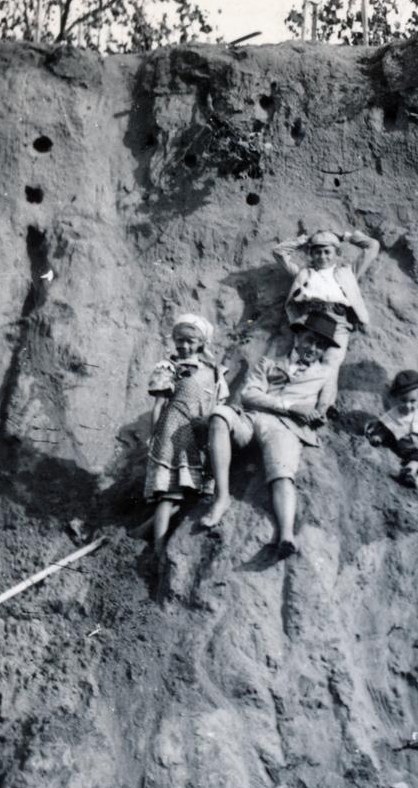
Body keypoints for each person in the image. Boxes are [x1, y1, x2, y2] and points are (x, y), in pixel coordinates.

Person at [201, 313, 340, 559]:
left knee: (282, 472)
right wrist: (289, 405)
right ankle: (221, 498)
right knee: (220, 415)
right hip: (252, 419)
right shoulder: (268, 362)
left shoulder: (326, 374)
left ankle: (286, 535)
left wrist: (314, 415)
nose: (313, 348)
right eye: (309, 340)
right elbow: (249, 395)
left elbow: (322, 410)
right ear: (298, 337)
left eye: (320, 345)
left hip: (285, 429)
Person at [143, 314, 228, 569]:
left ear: (202, 342)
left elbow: (218, 405)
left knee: (191, 492)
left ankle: (142, 532)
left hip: (200, 434)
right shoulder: (169, 367)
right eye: (179, 340)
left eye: (190, 340)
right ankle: (158, 546)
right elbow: (159, 406)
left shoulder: (214, 371)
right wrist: (155, 433)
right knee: (169, 494)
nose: (183, 345)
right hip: (173, 432)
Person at [273, 228, 378, 408]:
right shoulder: (305, 273)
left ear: (336, 253)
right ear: (312, 254)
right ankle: (298, 405)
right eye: (317, 252)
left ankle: (323, 409)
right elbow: (279, 252)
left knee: (330, 362)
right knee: (305, 358)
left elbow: (372, 246)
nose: (322, 256)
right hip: (309, 323)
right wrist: (303, 240)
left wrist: (345, 236)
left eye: (327, 252)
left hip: (338, 323)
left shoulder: (347, 272)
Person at [367, 369, 418, 488]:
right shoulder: (394, 413)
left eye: (413, 401)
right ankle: (411, 468)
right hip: (404, 446)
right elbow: (387, 426)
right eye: (403, 400)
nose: (408, 406)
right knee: (387, 431)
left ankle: (413, 475)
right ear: (396, 398)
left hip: (417, 448)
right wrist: (379, 436)